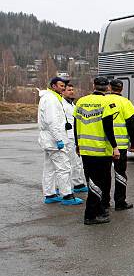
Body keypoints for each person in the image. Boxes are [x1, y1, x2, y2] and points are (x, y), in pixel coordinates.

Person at [74, 77, 120, 225]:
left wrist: (77, 144)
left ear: (93, 85)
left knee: (91, 181)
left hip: (85, 149)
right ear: (107, 87)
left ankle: (100, 209)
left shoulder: (81, 101)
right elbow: (108, 127)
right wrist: (115, 146)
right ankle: (90, 215)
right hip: (100, 150)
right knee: (98, 183)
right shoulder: (107, 102)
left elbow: (75, 124)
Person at [38, 77, 83, 205]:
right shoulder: (51, 100)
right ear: (53, 86)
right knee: (64, 167)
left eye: (64, 85)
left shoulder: (49, 98)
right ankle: (67, 195)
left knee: (50, 168)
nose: (63, 88)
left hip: (48, 139)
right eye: (61, 85)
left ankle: (50, 194)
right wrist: (59, 140)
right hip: (53, 140)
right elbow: (52, 121)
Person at [105, 79, 134, 211]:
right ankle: (120, 202)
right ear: (122, 89)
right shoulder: (126, 103)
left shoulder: (104, 101)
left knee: (105, 175)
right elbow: (132, 125)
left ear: (110, 88)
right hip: (121, 146)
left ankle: (104, 202)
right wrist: (133, 143)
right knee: (120, 173)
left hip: (105, 145)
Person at [61, 83, 87, 194]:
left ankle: (78, 183)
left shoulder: (72, 104)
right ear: (62, 92)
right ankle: (77, 184)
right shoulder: (61, 105)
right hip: (68, 137)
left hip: (74, 136)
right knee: (73, 162)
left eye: (72, 89)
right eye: (68, 90)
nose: (71, 91)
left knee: (77, 162)